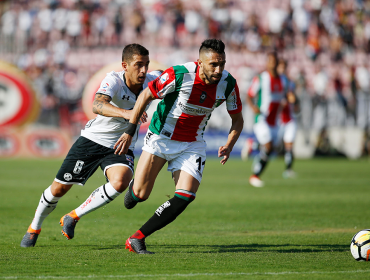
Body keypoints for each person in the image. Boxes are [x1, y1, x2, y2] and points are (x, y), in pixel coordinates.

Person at [20, 44, 162, 247]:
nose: (143, 70)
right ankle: (34, 227)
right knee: (59, 189)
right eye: (138, 65)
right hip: (93, 140)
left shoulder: (152, 81)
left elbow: (174, 75)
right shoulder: (113, 80)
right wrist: (127, 113)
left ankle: (73, 216)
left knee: (121, 181)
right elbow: (97, 104)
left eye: (146, 65)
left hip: (120, 143)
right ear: (125, 65)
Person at [114, 39, 244, 254]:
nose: (219, 69)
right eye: (213, 64)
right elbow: (147, 94)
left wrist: (230, 144)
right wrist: (129, 130)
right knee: (140, 194)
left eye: (222, 64)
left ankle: (137, 237)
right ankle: (135, 191)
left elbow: (237, 120)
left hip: (192, 143)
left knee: (186, 195)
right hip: (161, 138)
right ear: (200, 62)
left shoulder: (228, 83)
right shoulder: (180, 74)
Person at [246, 51, 285, 187]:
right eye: (270, 61)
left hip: (275, 121)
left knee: (271, 150)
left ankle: (253, 145)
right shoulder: (261, 78)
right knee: (268, 147)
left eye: (275, 61)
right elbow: (249, 95)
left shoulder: (282, 80)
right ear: (267, 63)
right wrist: (253, 107)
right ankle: (254, 176)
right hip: (262, 119)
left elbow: (286, 95)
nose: (272, 64)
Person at [277, 59, 299, 178]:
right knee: (273, 146)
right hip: (278, 119)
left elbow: (293, 98)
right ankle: (253, 145)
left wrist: (295, 104)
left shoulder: (290, 83)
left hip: (289, 118)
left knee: (289, 145)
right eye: (280, 67)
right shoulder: (274, 82)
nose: (282, 70)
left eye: (284, 67)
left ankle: (288, 170)